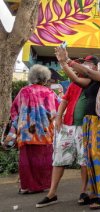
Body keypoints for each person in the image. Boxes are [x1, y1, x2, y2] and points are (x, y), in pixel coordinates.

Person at [55, 47, 100, 210]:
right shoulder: (96, 80)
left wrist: (69, 60)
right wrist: (63, 63)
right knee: (92, 160)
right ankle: (96, 192)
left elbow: (90, 74)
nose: (99, 64)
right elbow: (76, 79)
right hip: (90, 123)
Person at [36, 56, 99, 208]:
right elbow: (64, 100)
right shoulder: (74, 83)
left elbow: (76, 78)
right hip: (67, 126)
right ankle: (52, 193)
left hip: (85, 127)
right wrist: (58, 117)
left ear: (95, 68)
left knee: (84, 161)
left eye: (88, 64)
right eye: (83, 64)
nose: (84, 66)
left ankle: (84, 191)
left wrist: (65, 62)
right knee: (59, 158)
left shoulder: (94, 80)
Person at [2, 65, 58, 194]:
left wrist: (16, 128)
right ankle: (41, 185)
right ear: (45, 79)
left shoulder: (24, 91)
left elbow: (14, 110)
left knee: (26, 161)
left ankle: (26, 187)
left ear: (32, 77)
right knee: (44, 160)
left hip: (26, 133)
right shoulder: (49, 93)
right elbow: (57, 110)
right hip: (45, 134)